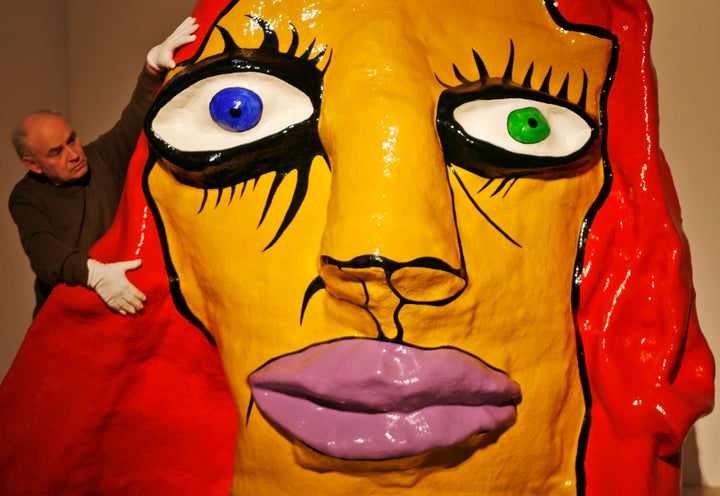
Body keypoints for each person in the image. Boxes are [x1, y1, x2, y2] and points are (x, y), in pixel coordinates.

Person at [9, 17, 199, 317]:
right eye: (57, 152)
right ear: (32, 164)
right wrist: (94, 274)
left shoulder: (100, 157)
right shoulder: (26, 197)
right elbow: (42, 251)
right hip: (65, 318)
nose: (73, 154)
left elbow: (132, 120)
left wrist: (152, 67)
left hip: (123, 307)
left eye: (72, 140)